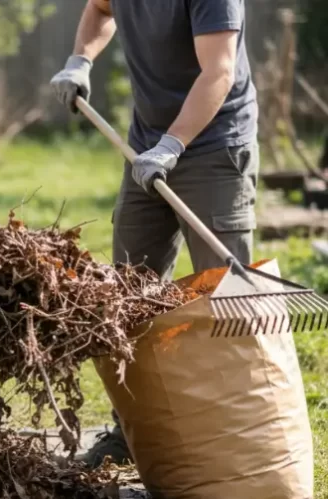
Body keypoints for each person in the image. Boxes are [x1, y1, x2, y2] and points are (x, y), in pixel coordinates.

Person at [49, 0, 259, 467]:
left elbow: (219, 72)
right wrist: (80, 60)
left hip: (215, 148)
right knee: (128, 291)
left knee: (228, 292)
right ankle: (133, 431)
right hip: (143, 146)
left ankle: (245, 434)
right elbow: (99, 10)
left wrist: (172, 145)